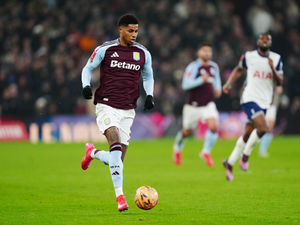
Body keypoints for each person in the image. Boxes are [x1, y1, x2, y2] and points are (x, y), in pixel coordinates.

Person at [80, 14, 154, 212]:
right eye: (130, 31)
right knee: (114, 143)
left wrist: (150, 95)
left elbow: (148, 76)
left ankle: (93, 153)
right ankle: (120, 197)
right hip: (106, 105)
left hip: (128, 110)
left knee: (117, 160)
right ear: (120, 30)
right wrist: (86, 86)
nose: (134, 35)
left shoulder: (143, 53)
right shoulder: (105, 49)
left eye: (136, 31)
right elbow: (87, 68)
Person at [222, 33, 283, 181]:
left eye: (267, 39)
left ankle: (230, 163)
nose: (264, 41)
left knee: (248, 132)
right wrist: (228, 84)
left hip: (265, 100)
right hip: (249, 97)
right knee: (263, 128)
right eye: (261, 38)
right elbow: (238, 69)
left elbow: (280, 81)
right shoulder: (249, 56)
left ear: (270, 42)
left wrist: (272, 68)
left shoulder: (276, 59)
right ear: (257, 41)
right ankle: (246, 155)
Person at [173, 44, 222, 167]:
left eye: (209, 51)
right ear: (198, 53)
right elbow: (185, 85)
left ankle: (205, 152)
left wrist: (218, 89)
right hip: (193, 106)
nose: (207, 54)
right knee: (186, 132)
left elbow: (217, 82)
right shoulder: (193, 67)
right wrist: (201, 80)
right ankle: (177, 148)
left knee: (214, 125)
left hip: (208, 104)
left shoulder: (214, 66)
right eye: (204, 51)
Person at [258, 86, 282, 157]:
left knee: (269, 129)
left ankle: (263, 150)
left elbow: (279, 91)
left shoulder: (275, 81)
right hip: (266, 106)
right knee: (267, 129)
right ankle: (261, 150)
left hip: (272, 106)